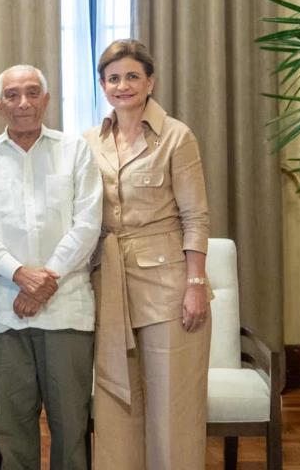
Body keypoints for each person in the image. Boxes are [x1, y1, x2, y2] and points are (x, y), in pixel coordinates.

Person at [0, 65, 102, 469]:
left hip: (67, 312)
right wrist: (20, 274)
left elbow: (88, 223)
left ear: (47, 100)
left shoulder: (74, 151)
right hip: (6, 314)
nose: (24, 103)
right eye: (13, 95)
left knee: (71, 427)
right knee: (12, 429)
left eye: (33, 93)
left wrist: (44, 282)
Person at [84, 39, 211, 469]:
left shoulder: (177, 136)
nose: (123, 85)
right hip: (109, 285)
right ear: (102, 85)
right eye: (113, 78)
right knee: (117, 402)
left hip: (168, 288)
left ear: (150, 81)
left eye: (132, 76)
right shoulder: (90, 141)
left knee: (173, 406)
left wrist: (196, 284)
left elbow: (196, 216)